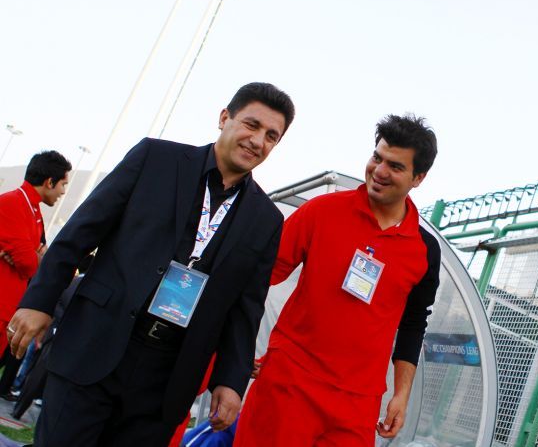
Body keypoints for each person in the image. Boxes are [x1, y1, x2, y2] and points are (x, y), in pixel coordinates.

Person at [6, 82, 295, 447]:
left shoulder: (266, 219)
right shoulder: (155, 159)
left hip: (166, 379)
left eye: (271, 136)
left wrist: (230, 381)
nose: (258, 141)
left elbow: (246, 308)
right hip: (95, 344)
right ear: (225, 118)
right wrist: (39, 302)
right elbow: (80, 232)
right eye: (252, 125)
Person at [234, 114, 440, 447]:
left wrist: (401, 394)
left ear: (418, 178)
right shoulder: (322, 211)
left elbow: (414, 323)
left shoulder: (424, 250)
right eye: (377, 158)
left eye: (395, 166)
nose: (379, 171)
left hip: (357, 407)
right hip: (289, 386)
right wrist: (236, 351)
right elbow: (256, 280)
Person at [0, 150, 71, 358]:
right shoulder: (12, 203)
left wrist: (34, 256)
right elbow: (29, 265)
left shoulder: (33, 210)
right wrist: (34, 256)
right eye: (63, 184)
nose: (63, 192)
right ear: (49, 182)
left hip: (8, 313)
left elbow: (44, 261)